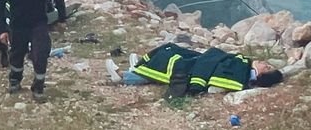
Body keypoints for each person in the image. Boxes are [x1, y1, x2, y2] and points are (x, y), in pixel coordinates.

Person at [121, 43, 284, 97]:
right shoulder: (243, 67)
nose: (264, 62)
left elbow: (218, 77)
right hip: (202, 60)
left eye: (267, 67)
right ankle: (137, 69)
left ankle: (129, 75)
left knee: (175, 63)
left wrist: (198, 83)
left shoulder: (241, 73)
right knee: (172, 49)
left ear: (262, 74)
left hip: (196, 68)